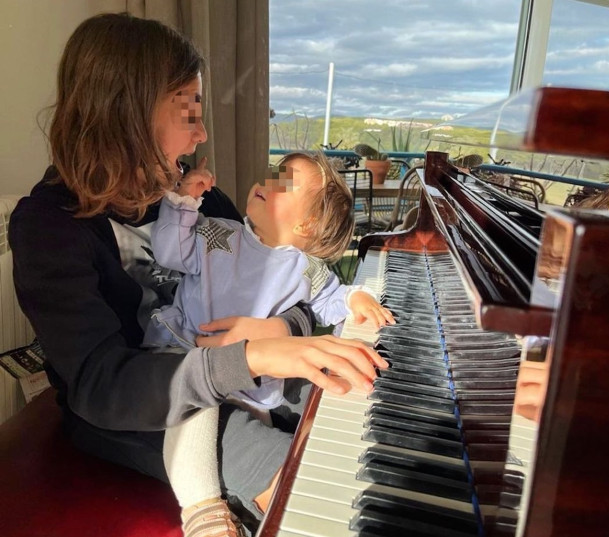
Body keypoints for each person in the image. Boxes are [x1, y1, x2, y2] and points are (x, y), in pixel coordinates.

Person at [8, 13, 388, 537]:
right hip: (139, 408)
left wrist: (287, 330)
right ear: (127, 115)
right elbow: (99, 383)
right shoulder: (48, 227)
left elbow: (270, 279)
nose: (202, 131)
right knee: (295, 478)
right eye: (186, 110)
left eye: (199, 108)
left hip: (229, 371)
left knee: (341, 401)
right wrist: (246, 358)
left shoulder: (199, 197)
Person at [143, 151, 395, 533]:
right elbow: (169, 251)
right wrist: (182, 202)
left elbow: (331, 301)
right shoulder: (217, 233)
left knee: (289, 412)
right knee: (193, 409)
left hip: (251, 376)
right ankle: (203, 511)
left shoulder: (304, 267)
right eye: (272, 176)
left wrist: (355, 298)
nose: (265, 183)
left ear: (308, 224)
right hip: (188, 353)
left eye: (285, 183)